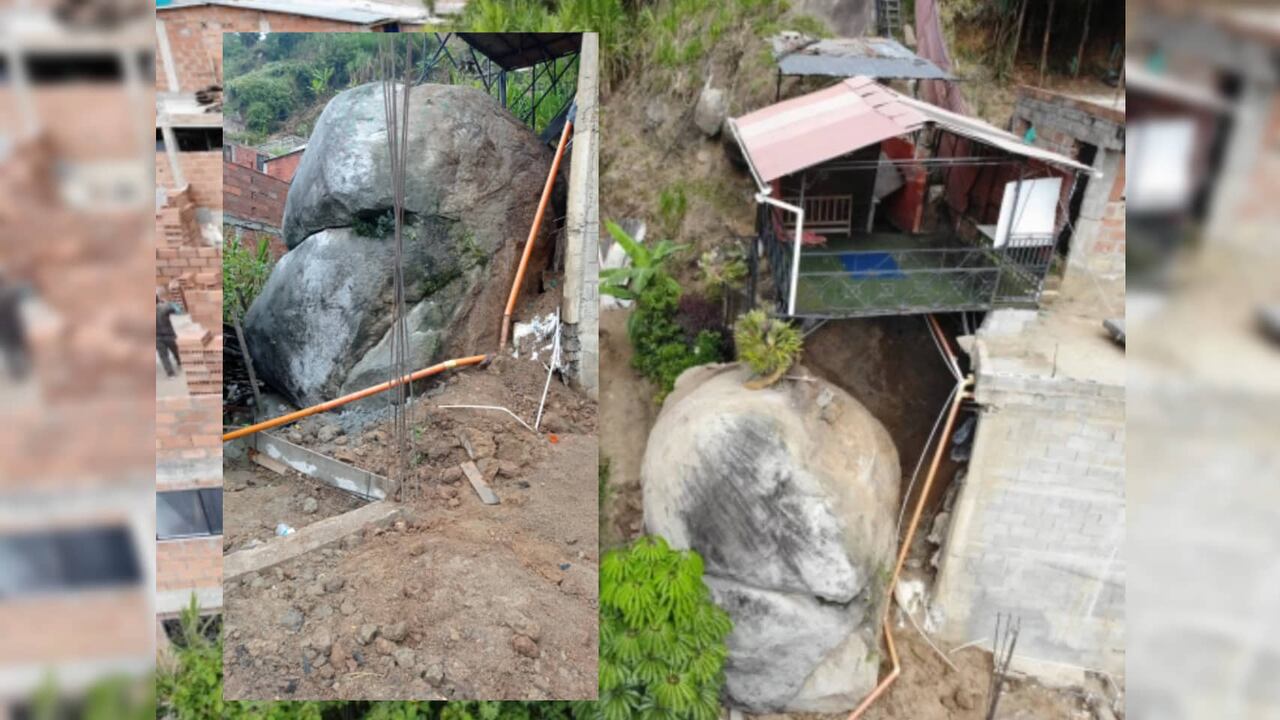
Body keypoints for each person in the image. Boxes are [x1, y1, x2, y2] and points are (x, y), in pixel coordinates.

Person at [0, 268, 30, 381]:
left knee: (10, 351)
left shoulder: (9, 292)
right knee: (20, 347)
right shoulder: (12, 291)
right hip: (17, 325)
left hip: (4, 329)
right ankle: (22, 369)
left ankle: (17, 373)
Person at [156, 292, 183, 378]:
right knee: (175, 350)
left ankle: (170, 374)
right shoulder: (164, 307)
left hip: (157, 337)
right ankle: (179, 362)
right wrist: (168, 303)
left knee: (163, 356)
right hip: (169, 334)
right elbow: (179, 311)